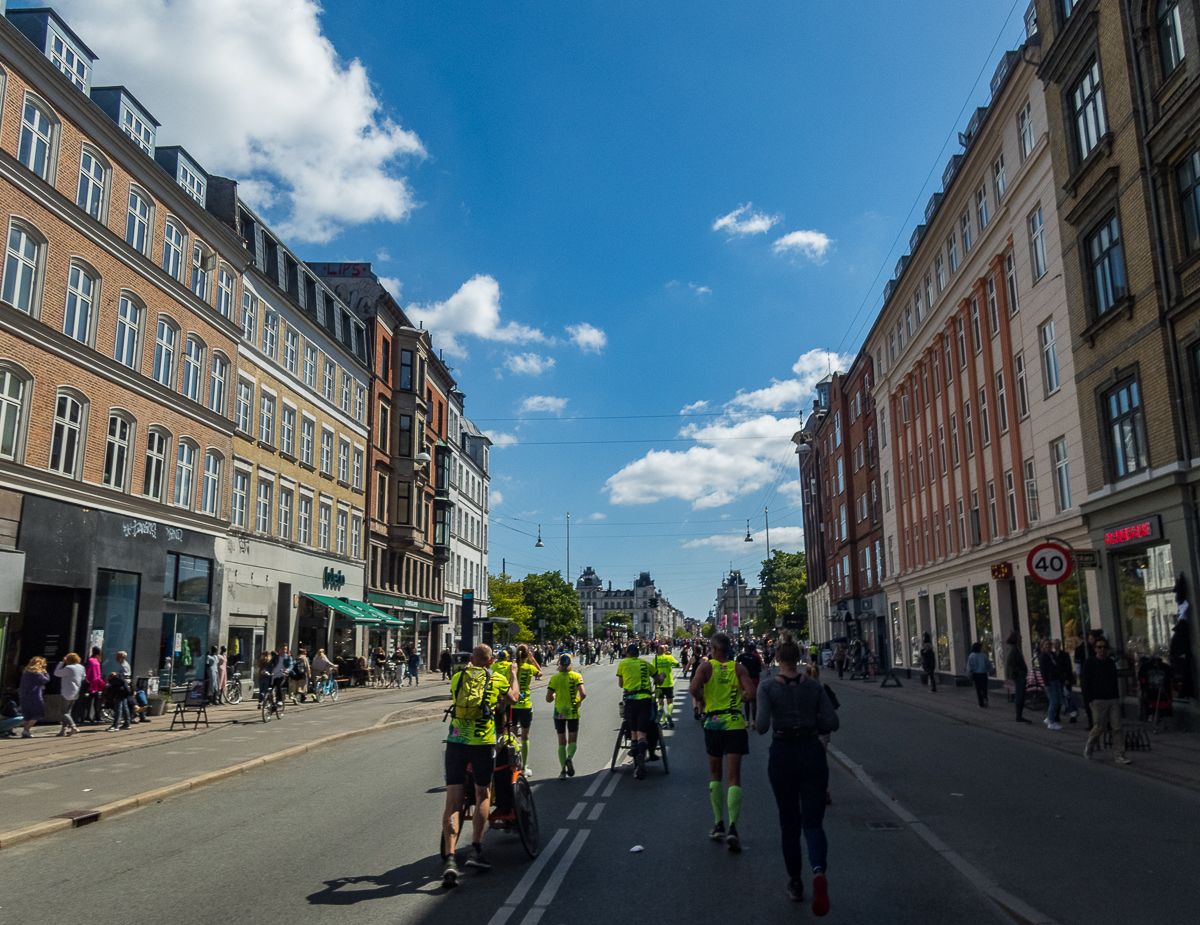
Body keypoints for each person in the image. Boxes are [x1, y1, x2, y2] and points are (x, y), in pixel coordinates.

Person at [756, 637, 837, 915]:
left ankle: (795, 882)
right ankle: (818, 871)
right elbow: (832, 722)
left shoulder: (767, 687)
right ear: (799, 656)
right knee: (813, 824)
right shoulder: (814, 687)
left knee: (789, 824)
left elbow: (762, 727)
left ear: (778, 659)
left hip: (783, 754)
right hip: (812, 753)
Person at [441, 644, 520, 888]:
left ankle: (451, 858)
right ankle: (476, 849)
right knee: (482, 793)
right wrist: (514, 675)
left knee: (453, 801)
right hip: (482, 743)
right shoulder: (496, 677)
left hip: (455, 741)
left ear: (471, 659)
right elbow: (514, 698)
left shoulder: (457, 677)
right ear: (491, 660)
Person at [689, 633, 753, 851]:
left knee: (715, 775)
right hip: (735, 723)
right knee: (734, 777)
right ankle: (734, 826)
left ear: (715, 649)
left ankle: (719, 824)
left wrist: (701, 698)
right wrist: (740, 699)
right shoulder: (739, 668)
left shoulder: (707, 668)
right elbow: (751, 693)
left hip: (714, 724)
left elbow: (693, 690)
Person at [1083, 637, 1130, 764]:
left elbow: (1114, 680)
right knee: (1099, 727)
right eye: (1099, 647)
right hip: (1098, 700)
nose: (1102, 649)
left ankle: (1119, 754)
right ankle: (1090, 746)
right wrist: (1089, 699)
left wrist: (1116, 696)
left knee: (1117, 727)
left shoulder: (1110, 662)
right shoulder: (1090, 663)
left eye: (1104, 647)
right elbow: (1085, 683)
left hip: (1112, 699)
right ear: (1095, 649)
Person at [617, 644, 656, 779]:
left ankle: (636, 762)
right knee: (642, 731)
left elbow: (621, 684)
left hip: (630, 700)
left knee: (633, 730)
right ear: (638, 654)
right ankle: (642, 755)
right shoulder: (645, 663)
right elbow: (657, 678)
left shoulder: (623, 665)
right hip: (645, 699)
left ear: (627, 654)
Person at [546, 654, 586, 779]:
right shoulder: (576, 676)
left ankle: (563, 770)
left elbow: (548, 699)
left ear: (559, 663)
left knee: (561, 741)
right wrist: (578, 701)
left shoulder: (555, 678)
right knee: (572, 740)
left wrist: (554, 697)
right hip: (573, 711)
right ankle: (569, 758)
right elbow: (583, 693)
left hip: (559, 713)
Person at [512, 645, 542, 776]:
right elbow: (540, 672)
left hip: (512, 704)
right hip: (525, 704)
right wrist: (533, 660)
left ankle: (512, 764)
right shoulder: (529, 667)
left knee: (511, 736)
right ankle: (524, 766)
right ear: (527, 655)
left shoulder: (512, 667)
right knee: (525, 735)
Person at [54, 653, 86, 737]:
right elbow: (83, 677)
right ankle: (63, 730)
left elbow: (57, 673)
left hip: (66, 691)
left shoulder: (68, 668)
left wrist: (61, 663)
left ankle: (73, 726)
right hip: (76, 691)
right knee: (68, 712)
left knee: (63, 712)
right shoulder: (81, 667)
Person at [19, 657, 50, 738]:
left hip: (24, 696)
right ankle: (26, 729)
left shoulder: (25, 673)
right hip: (35, 696)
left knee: (27, 714)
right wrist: (45, 672)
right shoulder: (38, 674)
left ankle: (26, 732)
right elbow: (46, 680)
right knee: (38, 713)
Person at [1037, 638, 1064, 729]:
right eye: (1046, 645)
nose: (1048, 646)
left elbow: (1058, 667)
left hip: (1057, 680)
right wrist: (1046, 684)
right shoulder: (1043, 657)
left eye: (1049, 644)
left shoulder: (1053, 655)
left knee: (1059, 700)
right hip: (1050, 681)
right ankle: (1051, 722)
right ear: (1043, 646)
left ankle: (1049, 718)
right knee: (1054, 701)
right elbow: (1043, 671)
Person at [1004, 631, 1030, 723]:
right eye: (1020, 637)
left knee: (1020, 695)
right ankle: (1019, 716)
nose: (1021, 638)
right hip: (1019, 676)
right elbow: (1011, 661)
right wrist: (1019, 671)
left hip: (1019, 675)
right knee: (1020, 695)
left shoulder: (1015, 648)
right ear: (1016, 638)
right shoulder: (1014, 649)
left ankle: (1019, 715)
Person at [737, 642, 764, 726]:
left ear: (745, 649)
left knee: (746, 701)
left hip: (745, 680)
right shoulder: (755, 658)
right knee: (754, 701)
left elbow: (736, 664)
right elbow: (760, 669)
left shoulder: (741, 656)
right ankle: (754, 721)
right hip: (755, 679)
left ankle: (747, 721)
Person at [1052, 639, 1079, 722]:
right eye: (1054, 644)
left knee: (1068, 696)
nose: (1056, 645)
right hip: (1056, 679)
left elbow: (1068, 667)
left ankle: (1073, 715)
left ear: (1060, 644)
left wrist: (1068, 679)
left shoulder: (1064, 655)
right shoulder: (1052, 655)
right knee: (1058, 697)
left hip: (1064, 679)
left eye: (1057, 643)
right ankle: (1057, 715)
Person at [653, 644, 680, 729]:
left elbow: (654, 671)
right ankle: (670, 714)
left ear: (658, 651)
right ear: (665, 650)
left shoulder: (655, 660)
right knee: (670, 702)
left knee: (660, 703)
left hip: (659, 684)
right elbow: (677, 664)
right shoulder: (669, 657)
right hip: (668, 683)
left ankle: (664, 722)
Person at [83, 647, 104, 723]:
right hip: (94, 683)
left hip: (94, 682)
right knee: (95, 700)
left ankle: (92, 715)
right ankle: (93, 715)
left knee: (91, 700)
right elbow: (88, 672)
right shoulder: (94, 661)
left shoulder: (92, 660)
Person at [966, 642, 991, 707]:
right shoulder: (984, 655)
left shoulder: (971, 656)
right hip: (983, 674)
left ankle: (981, 702)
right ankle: (985, 698)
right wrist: (991, 670)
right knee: (984, 687)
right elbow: (988, 664)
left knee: (978, 689)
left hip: (975, 674)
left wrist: (969, 674)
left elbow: (969, 666)